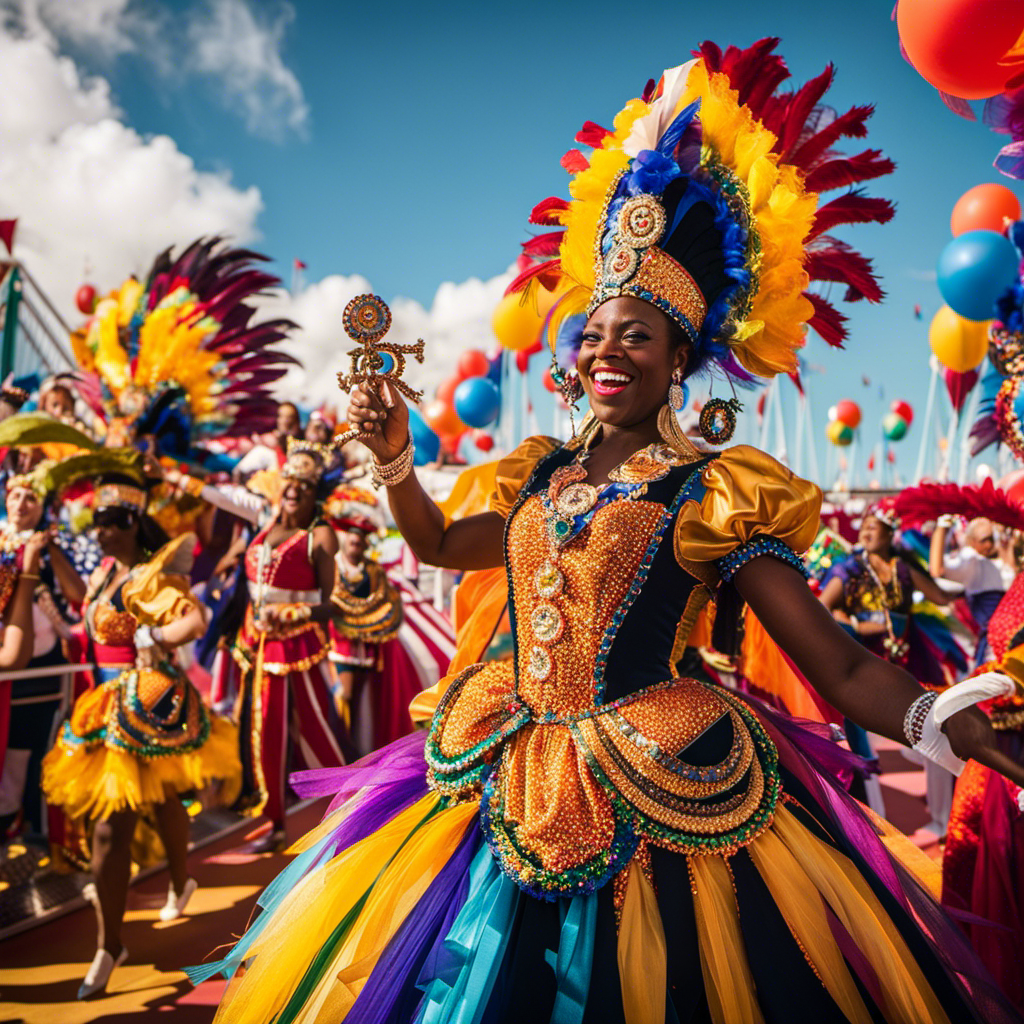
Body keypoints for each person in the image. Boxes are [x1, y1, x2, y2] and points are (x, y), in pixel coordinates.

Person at [200, 41, 1024, 1023]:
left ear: (681, 357)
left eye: (635, 334)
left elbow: (838, 667)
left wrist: (939, 719)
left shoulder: (713, 491)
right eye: (594, 332)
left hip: (661, 785)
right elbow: (434, 545)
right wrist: (391, 463)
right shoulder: (536, 473)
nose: (605, 349)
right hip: (500, 760)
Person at [42, 474, 241, 1000]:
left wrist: (150, 635)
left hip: (143, 704)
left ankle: (113, 942)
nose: (100, 531)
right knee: (158, 797)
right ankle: (157, 901)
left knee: (118, 822)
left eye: (109, 523)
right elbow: (80, 614)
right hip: (101, 705)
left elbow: (194, 620)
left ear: (130, 524)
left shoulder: (149, 577)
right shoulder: (106, 572)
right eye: (97, 522)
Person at [224, 444, 350, 852]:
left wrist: (295, 614)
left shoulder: (321, 535)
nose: (294, 490)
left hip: (297, 648)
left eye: (305, 485)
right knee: (264, 733)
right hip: (257, 644)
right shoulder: (265, 524)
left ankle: (350, 808)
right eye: (290, 483)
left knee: (313, 729)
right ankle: (273, 822)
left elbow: (338, 603)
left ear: (317, 494)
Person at [820, 504, 965, 827]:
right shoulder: (850, 569)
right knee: (863, 739)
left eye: (874, 526)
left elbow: (940, 597)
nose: (866, 532)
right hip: (865, 665)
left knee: (935, 730)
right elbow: (823, 607)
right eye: (864, 527)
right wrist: (855, 624)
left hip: (909, 659)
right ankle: (872, 820)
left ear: (889, 533)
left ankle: (942, 818)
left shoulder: (903, 568)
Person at [0, 464, 85, 839]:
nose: (21, 503)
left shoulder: (53, 545)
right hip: (7, 665)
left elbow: (77, 595)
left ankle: (27, 827)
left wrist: (47, 547)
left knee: (27, 753)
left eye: (30, 497)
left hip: (40, 673)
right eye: (15, 494)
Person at [327, 502, 405, 754]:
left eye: (361, 538)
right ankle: (339, 749)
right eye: (353, 537)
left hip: (367, 648)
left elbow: (385, 602)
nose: (356, 542)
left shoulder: (373, 571)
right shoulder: (332, 567)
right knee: (344, 695)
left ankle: (355, 750)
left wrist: (368, 620)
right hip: (340, 644)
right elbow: (331, 602)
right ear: (345, 539)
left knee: (362, 702)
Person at [930, 515, 1010, 664]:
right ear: (971, 542)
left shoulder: (1004, 559)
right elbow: (937, 569)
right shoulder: (973, 562)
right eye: (984, 540)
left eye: (992, 539)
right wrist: (941, 528)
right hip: (995, 649)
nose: (989, 544)